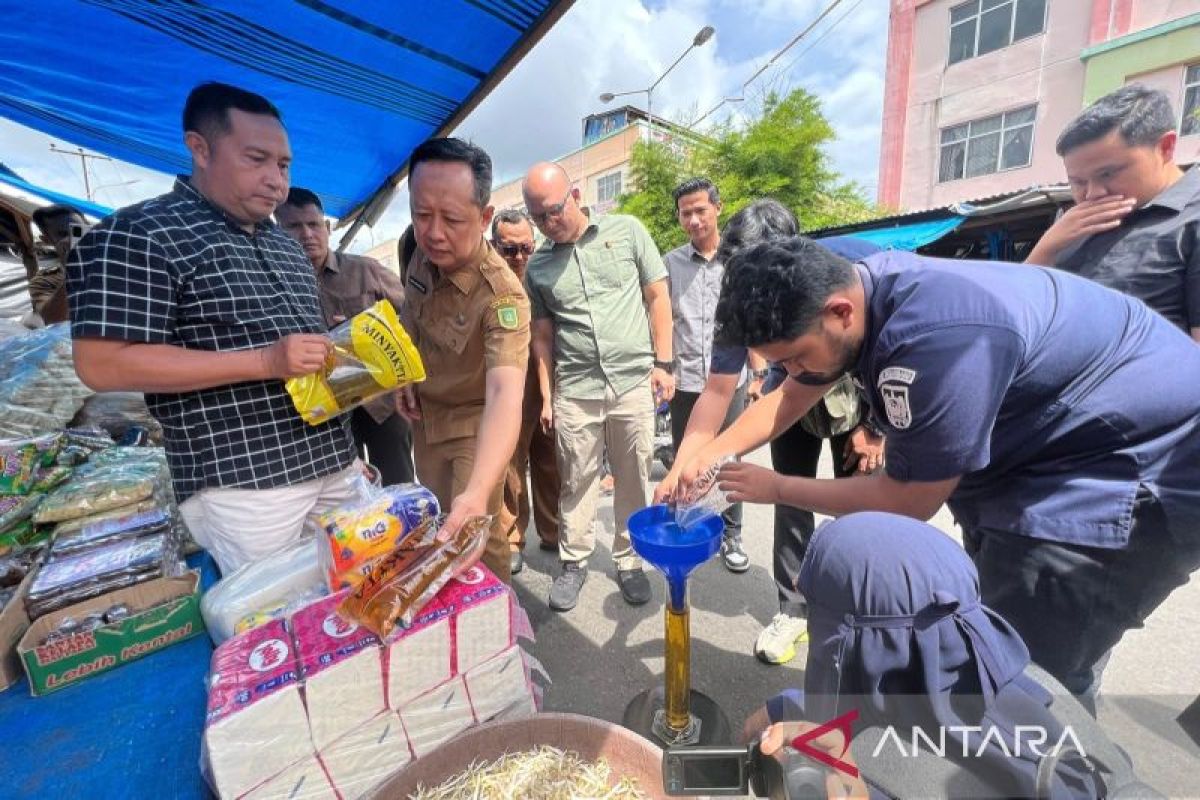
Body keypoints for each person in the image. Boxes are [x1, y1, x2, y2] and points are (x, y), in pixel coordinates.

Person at [680, 236, 1200, 702]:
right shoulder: (845, 276)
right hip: (1039, 453)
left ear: (840, 313)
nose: (789, 375)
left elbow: (909, 501)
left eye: (794, 357)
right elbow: (797, 390)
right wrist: (711, 454)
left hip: (1129, 472)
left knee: (1032, 673)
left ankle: (1055, 772)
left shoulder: (939, 340)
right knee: (988, 640)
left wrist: (778, 487)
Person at [66, 82, 361, 574]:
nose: (275, 180)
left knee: (358, 603)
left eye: (284, 166)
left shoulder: (285, 245)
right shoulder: (139, 233)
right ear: (199, 148)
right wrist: (264, 361)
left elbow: (296, 351)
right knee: (276, 628)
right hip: (248, 484)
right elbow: (100, 363)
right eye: (256, 159)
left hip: (332, 460)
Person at [748, 513, 1150, 799]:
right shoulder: (1030, 682)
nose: (798, 584)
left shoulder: (877, 773)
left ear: (857, 647)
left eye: (818, 605)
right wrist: (786, 704)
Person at [655, 200, 884, 666]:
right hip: (790, 401)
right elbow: (719, 390)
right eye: (738, 274)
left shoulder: (849, 272)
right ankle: (793, 608)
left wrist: (875, 427)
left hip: (858, 400)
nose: (749, 286)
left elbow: (899, 358)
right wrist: (685, 464)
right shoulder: (743, 301)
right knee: (792, 498)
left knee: (859, 508)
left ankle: (859, 616)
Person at [522, 162, 674, 611]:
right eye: (538, 217)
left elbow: (657, 296)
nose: (549, 223)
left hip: (631, 381)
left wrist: (663, 363)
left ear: (575, 193)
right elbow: (543, 336)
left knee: (634, 474)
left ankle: (628, 561)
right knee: (577, 477)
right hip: (576, 387)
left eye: (553, 210)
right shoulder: (540, 266)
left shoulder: (626, 231)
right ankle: (574, 561)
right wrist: (548, 395)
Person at [397, 137, 530, 583]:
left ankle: (501, 631)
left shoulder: (503, 297)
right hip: (426, 420)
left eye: (452, 219)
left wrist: (477, 492)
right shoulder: (414, 250)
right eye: (421, 214)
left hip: (478, 423)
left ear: (485, 217)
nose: (434, 233)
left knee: (473, 530)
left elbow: (504, 394)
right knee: (440, 525)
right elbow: (411, 317)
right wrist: (404, 376)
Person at [1026, 84, 1199, 342]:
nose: (1093, 193)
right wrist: (1046, 249)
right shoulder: (1071, 226)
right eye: (1078, 182)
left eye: (1107, 174)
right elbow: (1021, 310)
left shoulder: (1190, 221)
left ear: (1166, 147)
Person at [276, 187, 414, 486]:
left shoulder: (366, 271)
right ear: (278, 231)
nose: (307, 234)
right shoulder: (276, 287)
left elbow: (413, 318)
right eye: (294, 227)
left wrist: (366, 331)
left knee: (398, 488)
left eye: (313, 225)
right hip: (325, 414)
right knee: (345, 497)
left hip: (382, 405)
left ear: (326, 228)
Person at [663, 178, 750, 573]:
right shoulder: (669, 265)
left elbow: (752, 323)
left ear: (718, 208)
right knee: (687, 457)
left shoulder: (739, 261)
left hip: (730, 380)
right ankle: (693, 522)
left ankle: (732, 533)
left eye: (700, 210)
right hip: (687, 380)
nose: (694, 219)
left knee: (728, 460)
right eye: (686, 213)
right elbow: (663, 321)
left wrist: (761, 372)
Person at [490, 208, 560, 576]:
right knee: (511, 464)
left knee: (551, 459)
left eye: (526, 248)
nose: (519, 257)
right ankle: (514, 537)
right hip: (508, 383)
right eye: (510, 249)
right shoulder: (487, 280)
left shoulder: (547, 270)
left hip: (548, 376)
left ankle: (553, 531)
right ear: (494, 246)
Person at [28, 204, 87, 325]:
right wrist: (73, 269)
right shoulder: (44, 281)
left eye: (78, 231)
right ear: (47, 240)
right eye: (63, 234)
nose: (73, 239)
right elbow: (54, 320)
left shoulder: (119, 261)